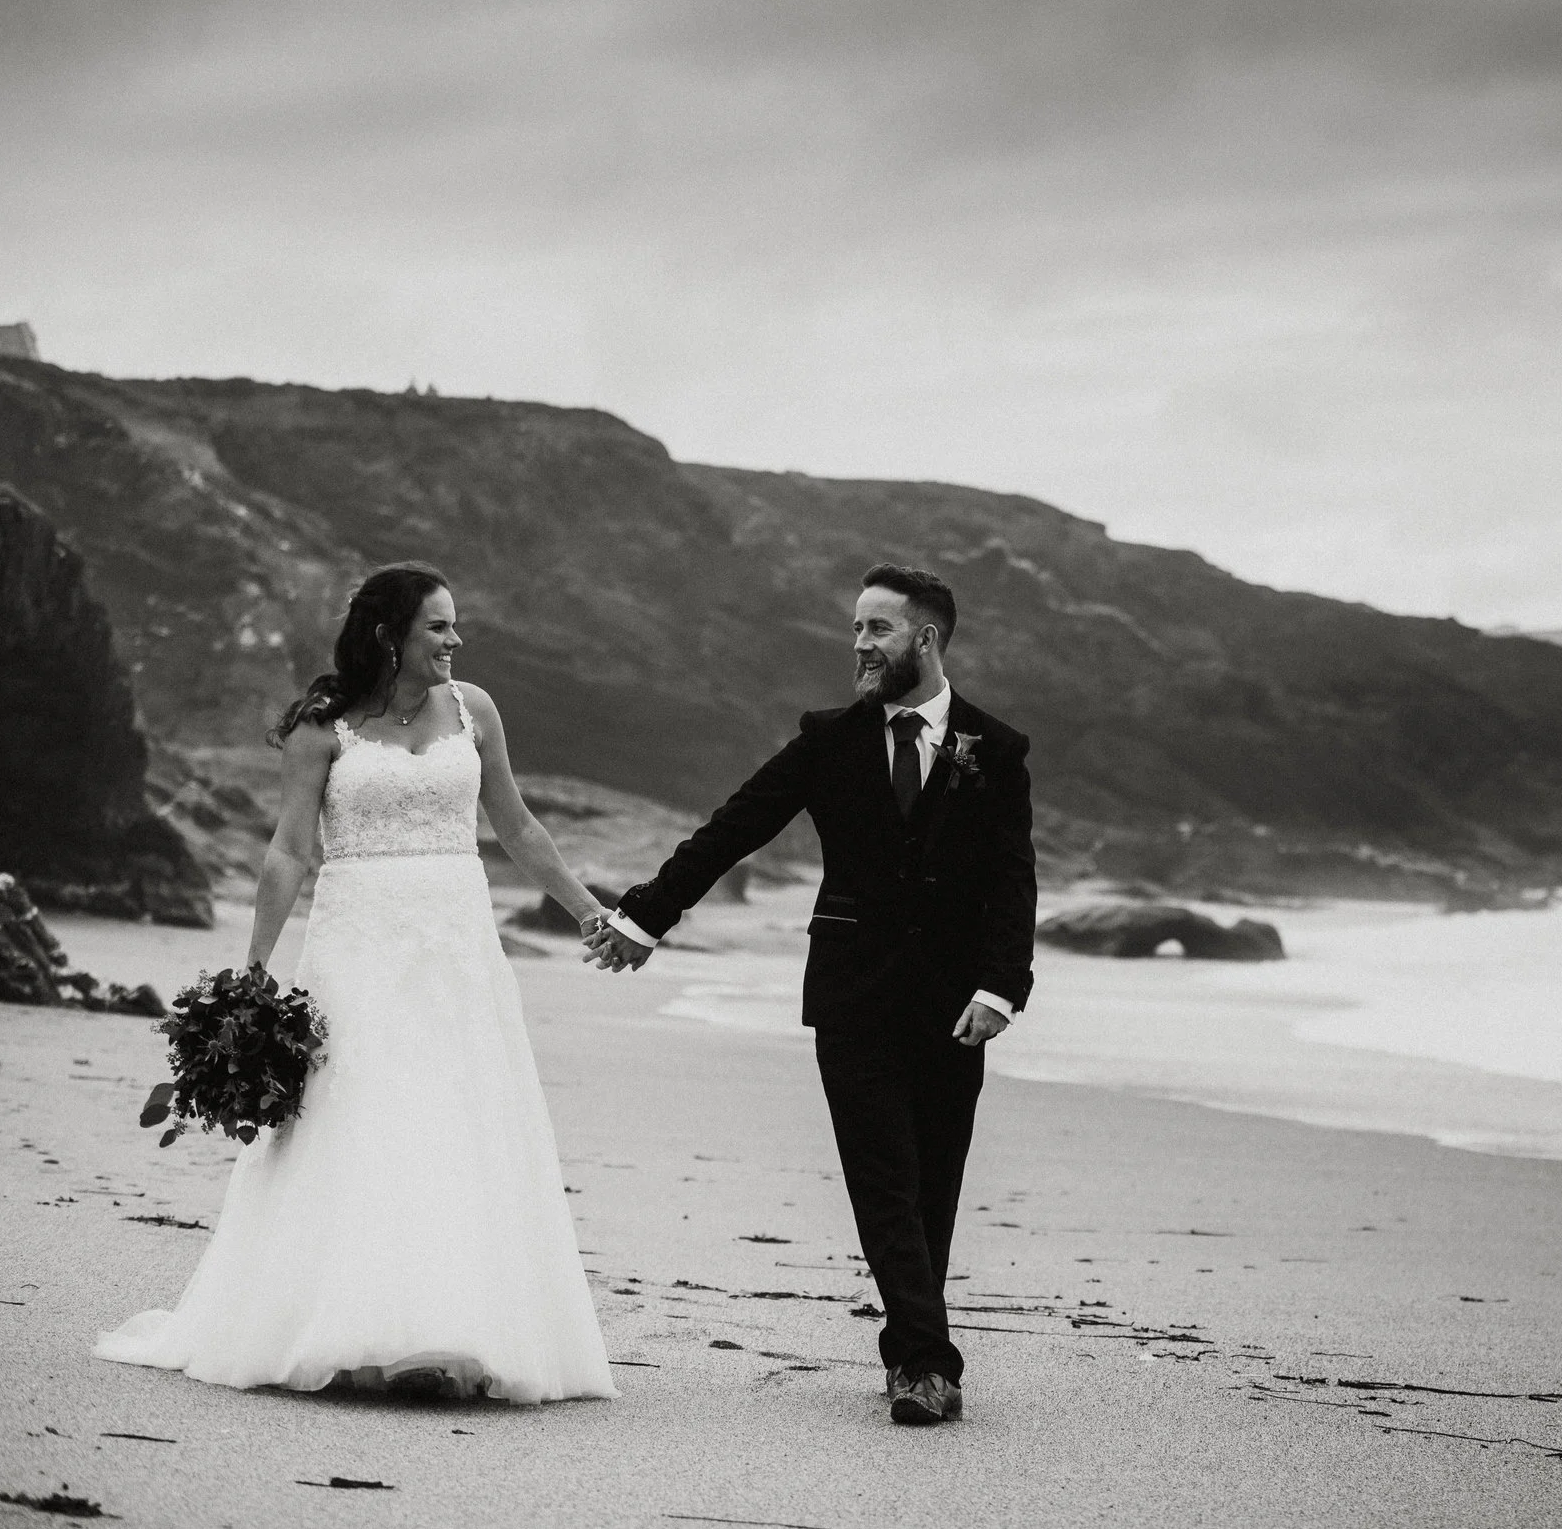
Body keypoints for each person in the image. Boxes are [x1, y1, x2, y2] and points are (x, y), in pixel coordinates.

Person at [96, 562, 617, 1404]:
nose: (456, 640)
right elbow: (290, 849)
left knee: (455, 1118)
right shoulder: (322, 726)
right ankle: (352, 1328)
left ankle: (457, 1329)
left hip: (455, 944)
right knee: (361, 1115)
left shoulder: (474, 710)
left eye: (456, 626)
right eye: (439, 626)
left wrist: (592, 911)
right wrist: (254, 968)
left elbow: (515, 824)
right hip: (358, 941)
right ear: (390, 635)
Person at [587, 562, 1035, 1426]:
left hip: (955, 1007)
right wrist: (646, 916)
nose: (859, 644)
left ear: (926, 639)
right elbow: (736, 824)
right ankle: (929, 1364)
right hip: (852, 996)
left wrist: (1002, 988)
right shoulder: (829, 738)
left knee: (934, 1182)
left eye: (877, 628)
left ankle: (910, 1350)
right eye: (857, 628)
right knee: (883, 1179)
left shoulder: (997, 748)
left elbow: (1014, 882)